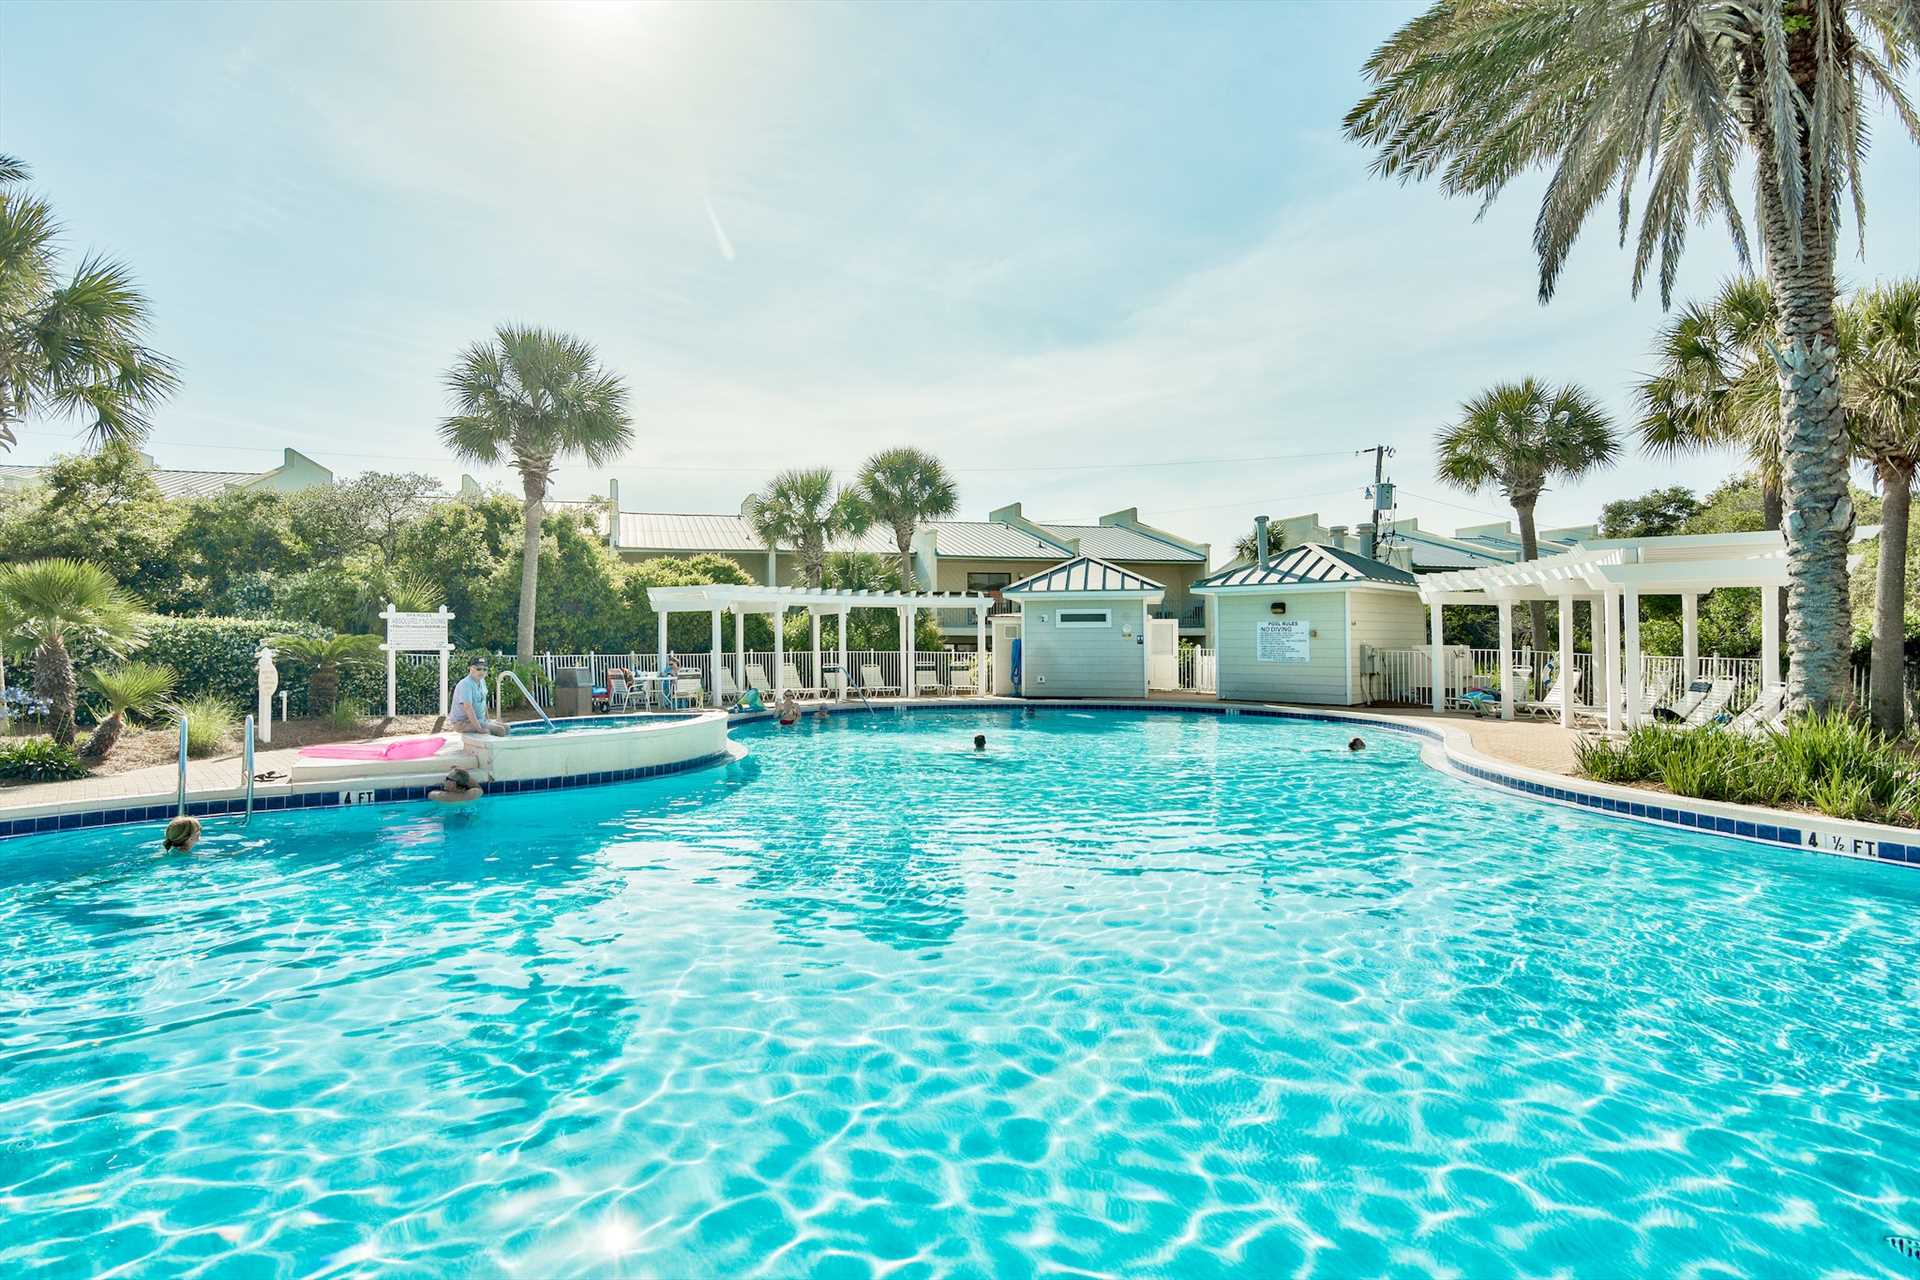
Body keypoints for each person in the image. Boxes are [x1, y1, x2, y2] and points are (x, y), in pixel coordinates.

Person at [449, 658, 508, 736]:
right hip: (463, 722)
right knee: (500, 730)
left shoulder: (482, 681)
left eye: (485, 669)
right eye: (478, 669)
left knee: (507, 727)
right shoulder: (466, 684)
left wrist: (487, 720)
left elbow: (483, 702)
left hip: (479, 720)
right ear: (471, 669)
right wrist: (479, 729)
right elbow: (468, 708)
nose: (482, 672)